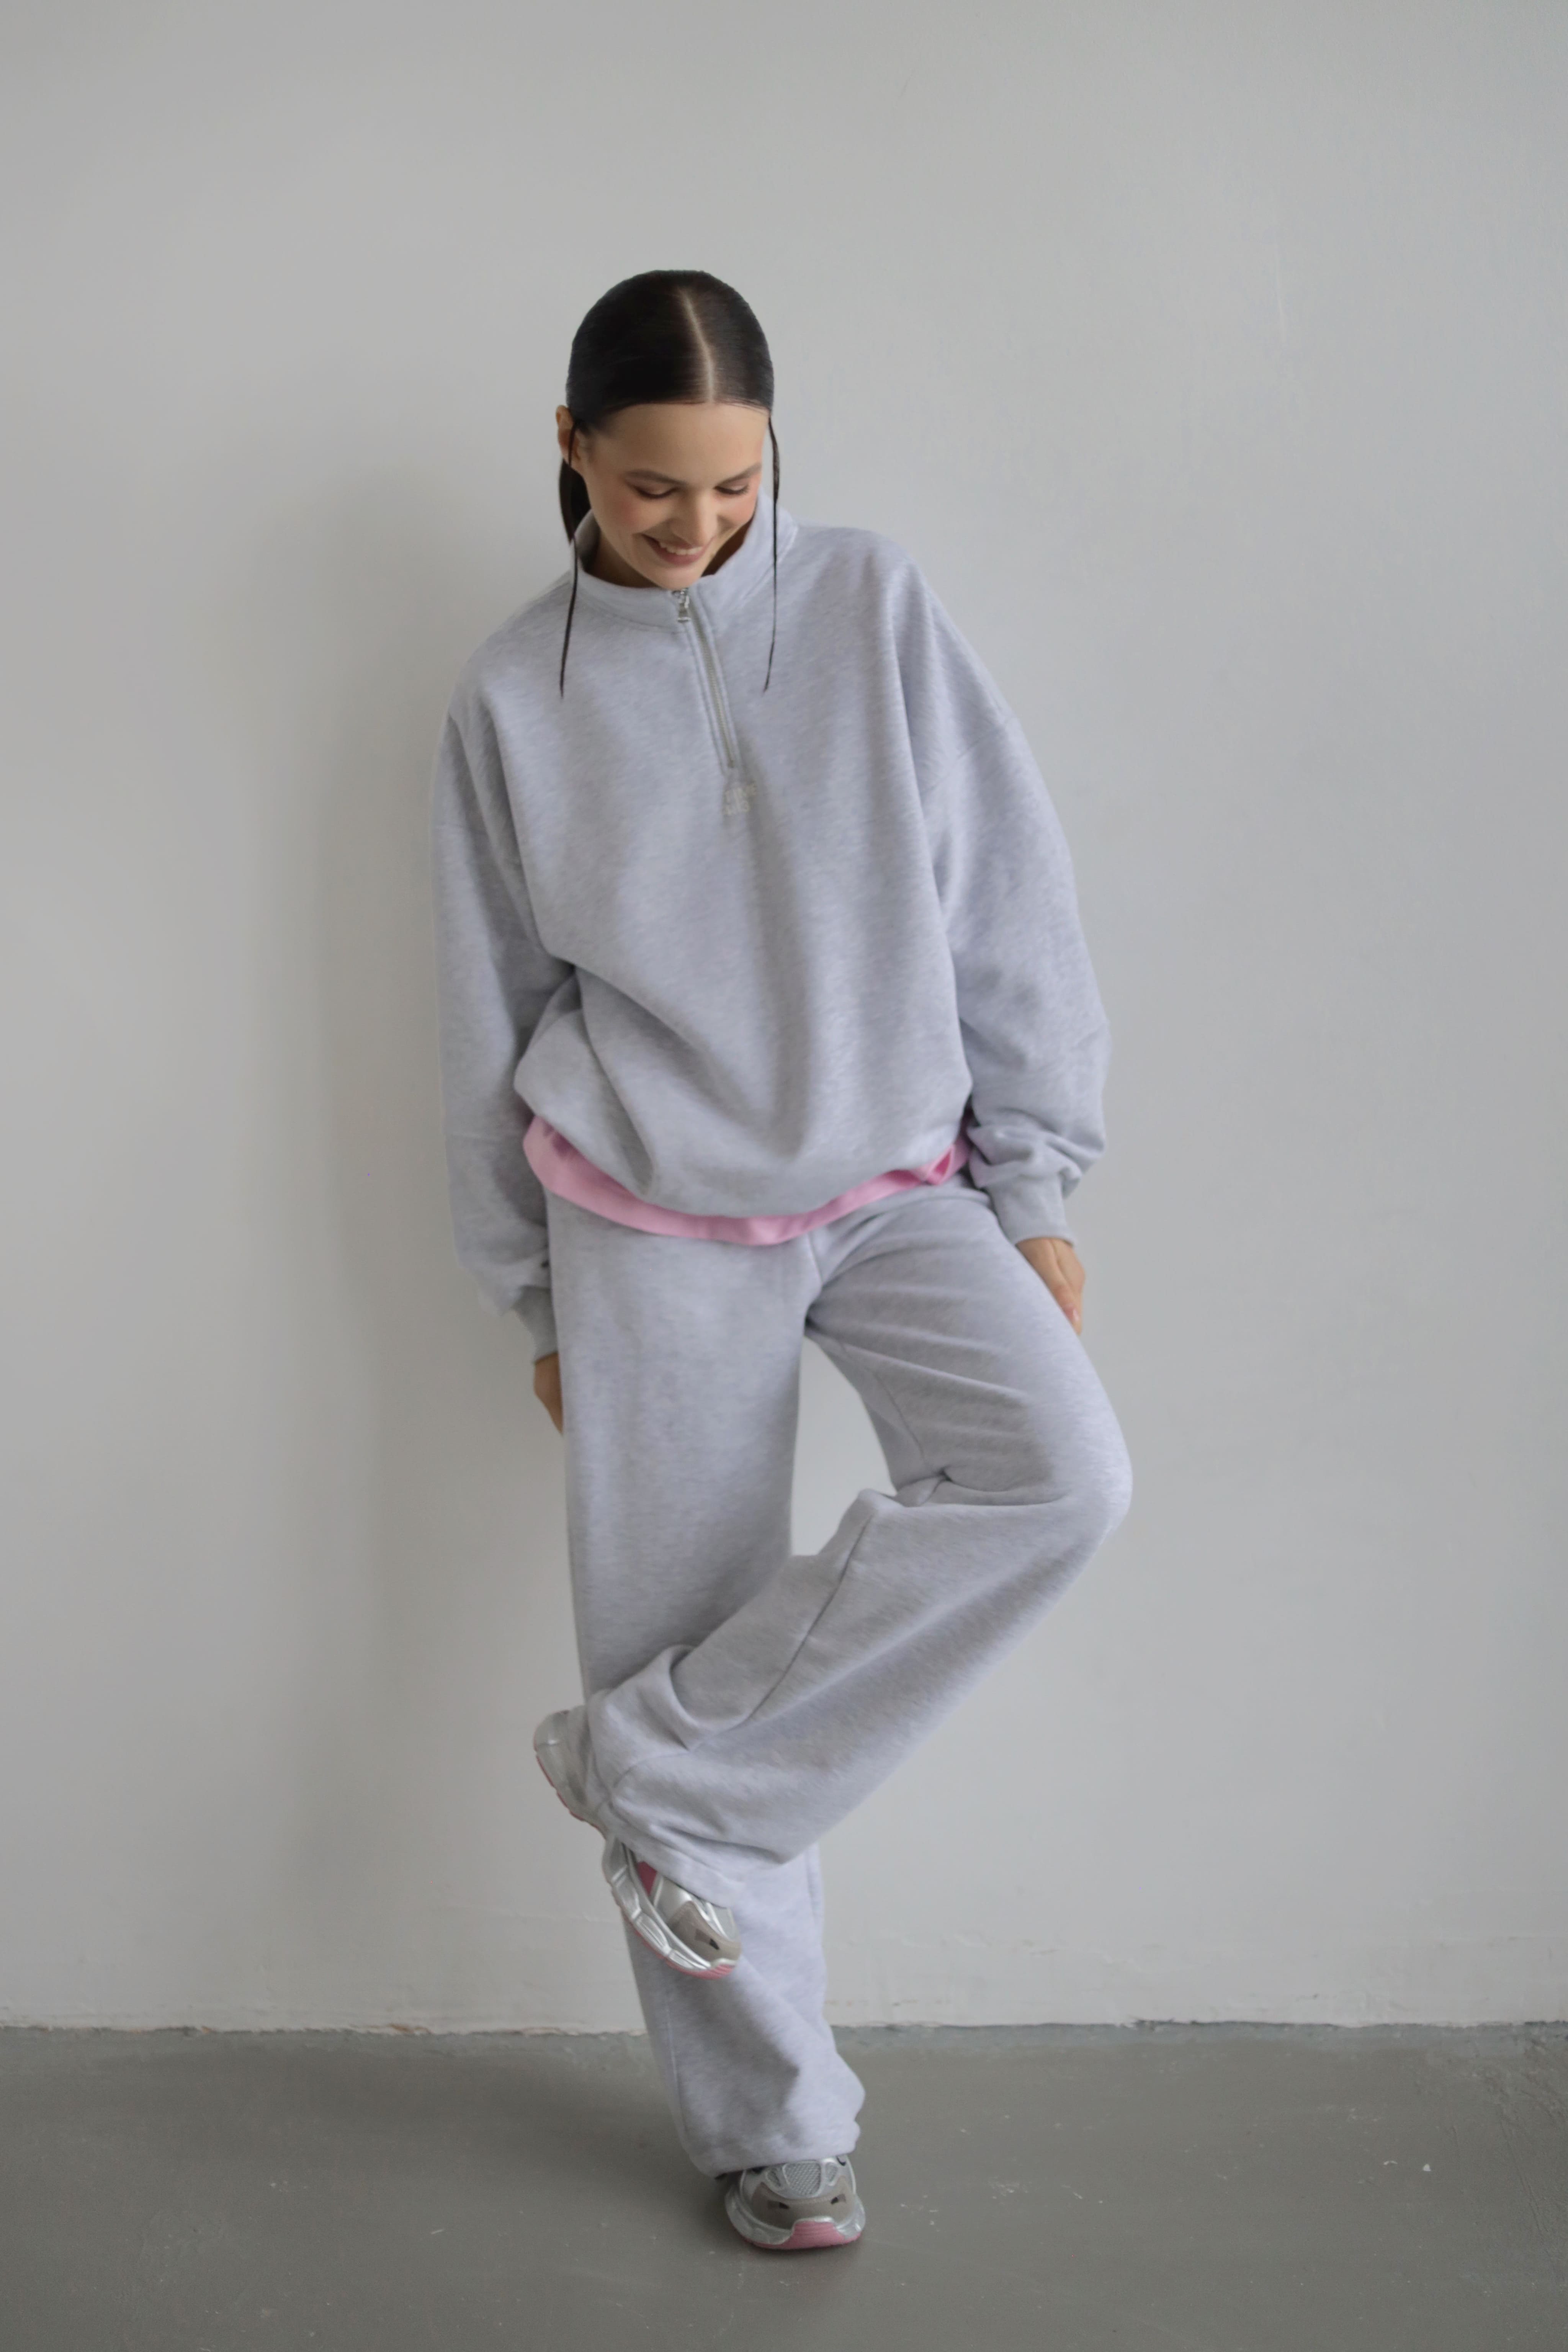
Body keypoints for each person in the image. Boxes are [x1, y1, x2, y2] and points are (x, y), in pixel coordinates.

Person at [428, 268, 1133, 2254]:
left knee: (1061, 1478)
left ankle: (653, 1769)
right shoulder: (510, 695)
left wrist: (1034, 1181)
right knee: (678, 1620)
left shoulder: (872, 605)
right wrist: (534, 1292)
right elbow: (485, 1007)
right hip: (642, 1212)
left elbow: (1010, 898)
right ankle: (772, 2126)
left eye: (736, 485)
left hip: (896, 1180)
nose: (700, 524)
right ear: (573, 449)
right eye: (655, 486)